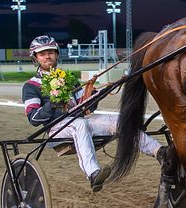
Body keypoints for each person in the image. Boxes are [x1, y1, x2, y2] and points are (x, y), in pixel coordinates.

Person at [21, 35, 165, 192]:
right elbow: (33, 118)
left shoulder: (68, 79)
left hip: (79, 121)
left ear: (56, 54)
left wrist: (96, 95)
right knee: (79, 124)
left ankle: (159, 151)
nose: (47, 56)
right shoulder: (31, 86)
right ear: (35, 58)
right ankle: (93, 173)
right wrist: (52, 104)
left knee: (119, 121)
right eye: (42, 54)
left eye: (50, 52)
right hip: (56, 129)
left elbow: (85, 107)